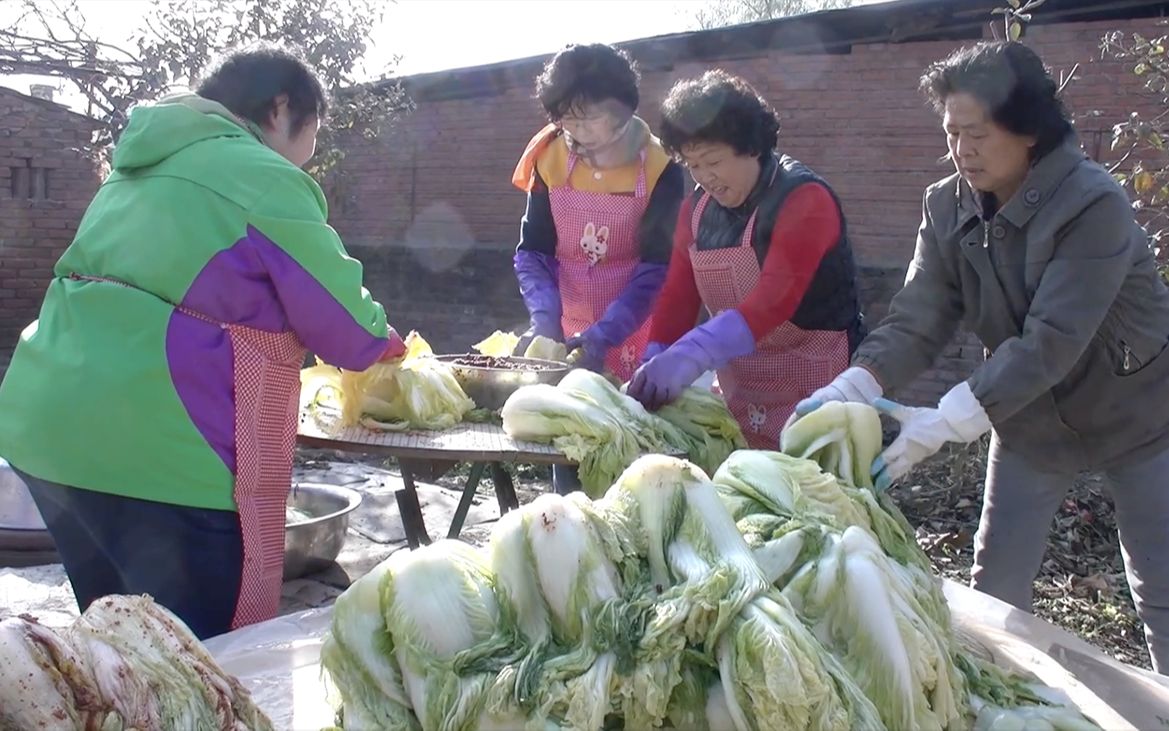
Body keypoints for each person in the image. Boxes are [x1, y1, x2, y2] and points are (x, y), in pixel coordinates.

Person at [0, 44, 405, 640]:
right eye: (310, 136)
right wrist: (392, 347)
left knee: (120, 645)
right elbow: (344, 324)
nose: (307, 158)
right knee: (210, 661)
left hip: (50, 436)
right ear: (281, 108)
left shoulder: (139, 166)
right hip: (165, 451)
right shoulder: (261, 175)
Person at [799, 41, 1169, 673]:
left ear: (1027, 131)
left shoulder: (1093, 203)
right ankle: (1001, 698)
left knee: (1161, 588)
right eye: (951, 133)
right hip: (1027, 420)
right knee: (994, 588)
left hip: (1137, 412)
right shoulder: (946, 205)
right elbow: (919, 313)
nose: (961, 150)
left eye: (977, 133)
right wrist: (857, 383)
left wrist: (945, 423)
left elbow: (1052, 339)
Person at [627, 70, 865, 449]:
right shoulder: (696, 211)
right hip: (743, 390)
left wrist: (693, 353)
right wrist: (657, 354)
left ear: (751, 146)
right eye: (692, 165)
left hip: (818, 382)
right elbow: (678, 296)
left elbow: (771, 303)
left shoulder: (804, 200)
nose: (704, 176)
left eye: (713, 160)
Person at [510, 43, 685, 493]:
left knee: (631, 451)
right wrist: (545, 320)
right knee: (569, 442)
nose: (576, 131)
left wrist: (608, 332)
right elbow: (534, 251)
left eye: (587, 119)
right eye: (566, 119)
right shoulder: (549, 156)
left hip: (637, 330)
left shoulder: (661, 166)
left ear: (623, 111)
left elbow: (656, 268)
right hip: (570, 328)